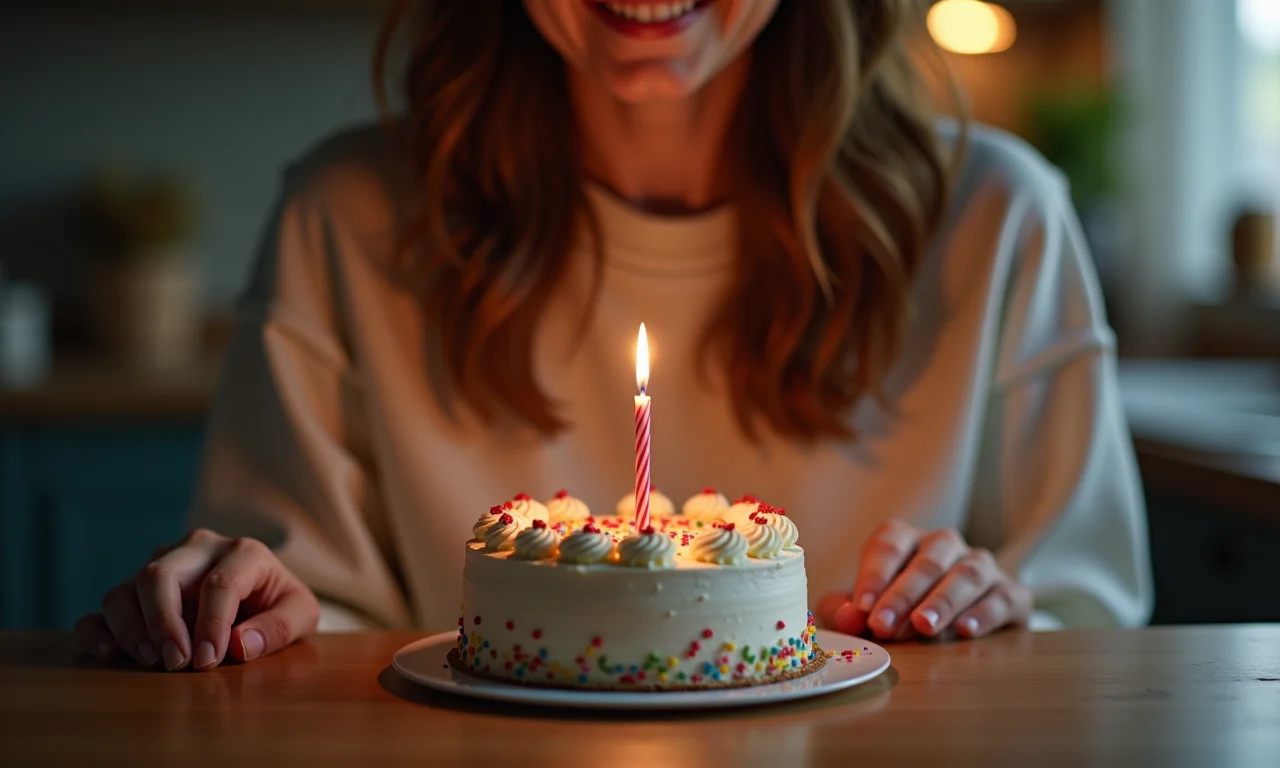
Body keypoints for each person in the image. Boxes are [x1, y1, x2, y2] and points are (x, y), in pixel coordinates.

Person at [74, 0, 1152, 672]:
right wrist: (241, 619)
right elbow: (297, 639)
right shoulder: (347, 217)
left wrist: (1000, 618)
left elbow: (1088, 628)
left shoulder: (997, 220)